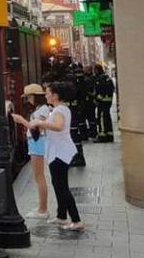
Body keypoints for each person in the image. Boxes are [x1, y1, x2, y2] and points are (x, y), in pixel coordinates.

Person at [29, 81, 84, 231]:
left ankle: (76, 220)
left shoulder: (59, 110)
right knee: (58, 184)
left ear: (55, 95)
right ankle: (61, 216)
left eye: (47, 93)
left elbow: (59, 127)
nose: (46, 96)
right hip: (58, 152)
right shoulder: (58, 109)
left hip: (59, 153)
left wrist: (40, 122)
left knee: (61, 187)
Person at [11, 83, 52, 219]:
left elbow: (37, 129)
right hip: (36, 143)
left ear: (34, 96)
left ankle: (43, 209)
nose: (28, 100)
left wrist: (21, 121)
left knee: (39, 177)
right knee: (38, 177)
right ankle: (42, 208)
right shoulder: (41, 109)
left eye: (29, 97)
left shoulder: (43, 110)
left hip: (37, 142)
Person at [92, 65, 115, 143]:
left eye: (94, 70)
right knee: (107, 118)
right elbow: (111, 89)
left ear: (97, 70)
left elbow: (100, 91)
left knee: (101, 118)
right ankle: (109, 135)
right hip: (108, 102)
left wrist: (97, 100)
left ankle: (102, 136)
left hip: (103, 102)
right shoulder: (107, 78)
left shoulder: (100, 79)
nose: (94, 72)